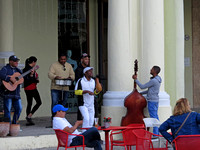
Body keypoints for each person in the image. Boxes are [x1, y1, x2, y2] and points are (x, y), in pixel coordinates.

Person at [132, 66, 161, 135]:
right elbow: (149, 90)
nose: (150, 70)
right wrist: (139, 93)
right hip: (156, 100)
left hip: (152, 101)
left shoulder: (153, 81)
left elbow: (142, 86)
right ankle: (158, 132)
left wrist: (136, 79)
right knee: (156, 117)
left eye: (152, 69)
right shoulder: (158, 79)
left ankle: (155, 134)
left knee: (153, 118)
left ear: (154, 71)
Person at [0, 55, 22, 124]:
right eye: (15, 61)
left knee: (19, 108)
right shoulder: (5, 68)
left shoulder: (18, 70)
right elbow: (1, 74)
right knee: (8, 110)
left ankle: (14, 123)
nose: (17, 63)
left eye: (17, 61)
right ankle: (8, 125)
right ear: (10, 61)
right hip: (8, 93)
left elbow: (22, 79)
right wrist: (9, 78)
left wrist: (30, 75)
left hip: (16, 93)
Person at [23, 56, 42, 126]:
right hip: (31, 88)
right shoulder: (28, 70)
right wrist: (32, 76)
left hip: (29, 88)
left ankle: (29, 118)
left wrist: (35, 79)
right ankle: (29, 115)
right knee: (39, 102)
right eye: (35, 62)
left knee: (30, 103)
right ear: (33, 62)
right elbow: (28, 80)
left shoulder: (28, 69)